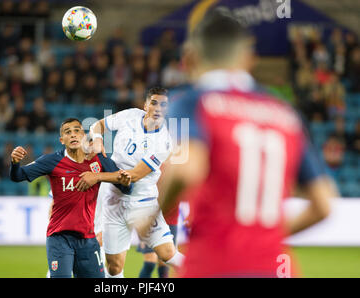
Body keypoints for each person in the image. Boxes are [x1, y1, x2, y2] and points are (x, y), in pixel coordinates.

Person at [139, 12, 339, 277]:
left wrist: (152, 219)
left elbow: (188, 170)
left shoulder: (192, 102)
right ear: (248, 59)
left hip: (214, 264)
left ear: (189, 59)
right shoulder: (285, 112)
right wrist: (262, 236)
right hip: (275, 267)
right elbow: (324, 203)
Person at [9, 118, 132, 278]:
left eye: (77, 131)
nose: (73, 135)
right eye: (68, 132)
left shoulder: (98, 160)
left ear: (83, 135)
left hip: (88, 238)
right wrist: (15, 163)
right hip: (60, 238)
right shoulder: (51, 161)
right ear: (62, 140)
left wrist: (99, 177)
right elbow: (17, 176)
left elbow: (126, 187)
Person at [88, 87, 184, 278]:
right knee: (114, 267)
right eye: (154, 103)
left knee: (167, 253)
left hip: (143, 203)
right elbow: (97, 125)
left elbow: (133, 176)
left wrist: (98, 176)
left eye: (163, 104)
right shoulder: (130, 115)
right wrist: (98, 140)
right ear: (145, 105)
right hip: (113, 202)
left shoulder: (165, 140)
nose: (158, 108)